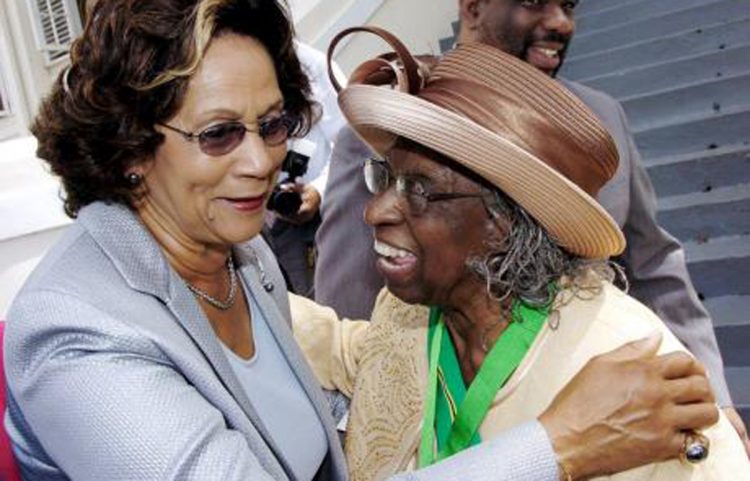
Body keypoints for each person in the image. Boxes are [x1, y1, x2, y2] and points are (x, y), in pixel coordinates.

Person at [1, 2, 719, 481]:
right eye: (219, 133)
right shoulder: (75, 332)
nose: (261, 161)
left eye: (274, 124)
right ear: (128, 146)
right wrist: (558, 444)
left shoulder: (239, 253)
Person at [292, 27, 749, 481]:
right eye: (386, 178)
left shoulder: (624, 372)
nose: (373, 211)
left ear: (503, 221)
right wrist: (228, 276)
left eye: (419, 190)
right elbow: (359, 355)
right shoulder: (407, 314)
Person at [265, 41, 347, 297]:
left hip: (331, 214)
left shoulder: (312, 65)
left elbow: (353, 143)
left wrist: (318, 191)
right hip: (270, 226)